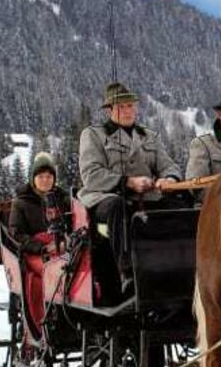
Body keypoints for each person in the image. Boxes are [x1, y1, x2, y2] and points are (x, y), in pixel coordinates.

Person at [78, 81, 182, 274]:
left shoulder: (149, 136)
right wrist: (128, 182)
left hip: (147, 196)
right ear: (110, 110)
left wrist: (169, 179)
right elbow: (91, 175)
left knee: (181, 204)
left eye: (130, 106)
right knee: (118, 206)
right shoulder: (94, 135)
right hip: (105, 198)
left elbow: (168, 165)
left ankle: (182, 264)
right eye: (121, 106)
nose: (127, 111)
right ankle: (127, 272)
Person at [9, 151, 71, 334]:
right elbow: (17, 234)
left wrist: (65, 241)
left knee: (74, 269)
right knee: (50, 271)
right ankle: (40, 325)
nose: (45, 180)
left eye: (49, 176)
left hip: (61, 247)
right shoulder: (21, 203)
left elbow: (72, 224)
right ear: (33, 178)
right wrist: (42, 247)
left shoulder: (62, 199)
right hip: (34, 252)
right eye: (41, 176)